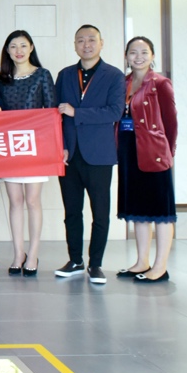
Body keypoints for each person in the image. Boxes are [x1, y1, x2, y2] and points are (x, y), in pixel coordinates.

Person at [54, 24, 125, 285]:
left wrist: (77, 113)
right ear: (74, 45)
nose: (86, 45)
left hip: (99, 155)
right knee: (72, 211)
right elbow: (54, 115)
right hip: (69, 154)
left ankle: (96, 264)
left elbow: (115, 111)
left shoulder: (114, 75)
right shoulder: (65, 75)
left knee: (100, 213)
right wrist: (59, 146)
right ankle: (75, 260)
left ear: (101, 43)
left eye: (91, 40)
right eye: (81, 40)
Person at [0, 30, 56, 277]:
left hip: (34, 146)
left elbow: (51, 111)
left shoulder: (42, 75)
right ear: (7, 50)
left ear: (31, 47)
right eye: (13, 46)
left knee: (33, 201)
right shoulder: (1, 79)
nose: (18, 51)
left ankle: (33, 254)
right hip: (10, 147)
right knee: (15, 201)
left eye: (23, 45)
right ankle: (18, 254)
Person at [116, 37, 178, 284]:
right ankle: (142, 261)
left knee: (161, 211)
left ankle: (160, 267)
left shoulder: (160, 84)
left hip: (154, 153)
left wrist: (167, 153)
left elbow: (171, 124)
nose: (138, 57)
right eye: (133, 52)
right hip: (128, 151)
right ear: (126, 56)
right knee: (138, 210)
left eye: (144, 52)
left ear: (153, 55)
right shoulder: (123, 83)